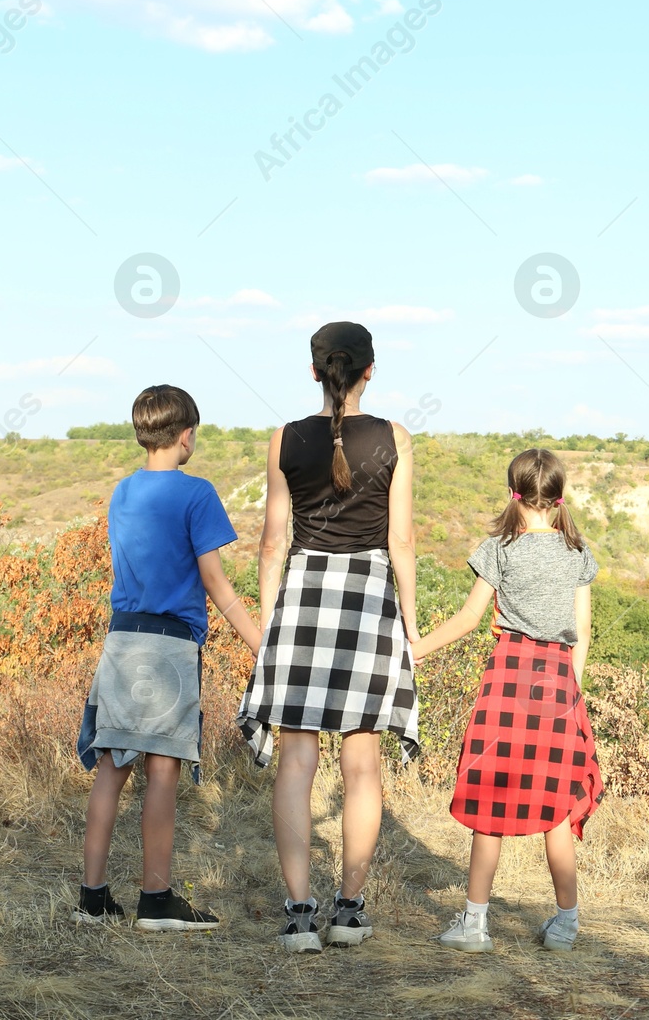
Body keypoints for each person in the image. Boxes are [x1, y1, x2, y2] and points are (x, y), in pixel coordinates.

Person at [236, 321, 420, 954]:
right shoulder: (394, 437)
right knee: (362, 763)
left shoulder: (284, 438)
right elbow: (401, 542)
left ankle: (296, 917)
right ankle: (348, 910)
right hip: (369, 598)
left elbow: (272, 541)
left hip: (303, 596)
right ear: (371, 370)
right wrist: (412, 623)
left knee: (295, 762)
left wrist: (267, 626)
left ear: (315, 372)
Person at [75, 384, 262, 931]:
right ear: (186, 435)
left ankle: (93, 898)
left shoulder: (122, 492)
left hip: (121, 639)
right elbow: (216, 585)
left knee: (110, 765)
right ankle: (155, 900)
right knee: (162, 770)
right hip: (169, 644)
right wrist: (262, 645)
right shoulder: (197, 493)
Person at [411, 448, 603, 953]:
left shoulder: (498, 548)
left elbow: (467, 620)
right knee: (557, 809)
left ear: (513, 494)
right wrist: (572, 692)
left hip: (508, 680)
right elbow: (582, 631)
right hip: (560, 683)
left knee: (487, 801)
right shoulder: (577, 552)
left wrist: (414, 650)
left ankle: (475, 926)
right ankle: (565, 924)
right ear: (559, 498)